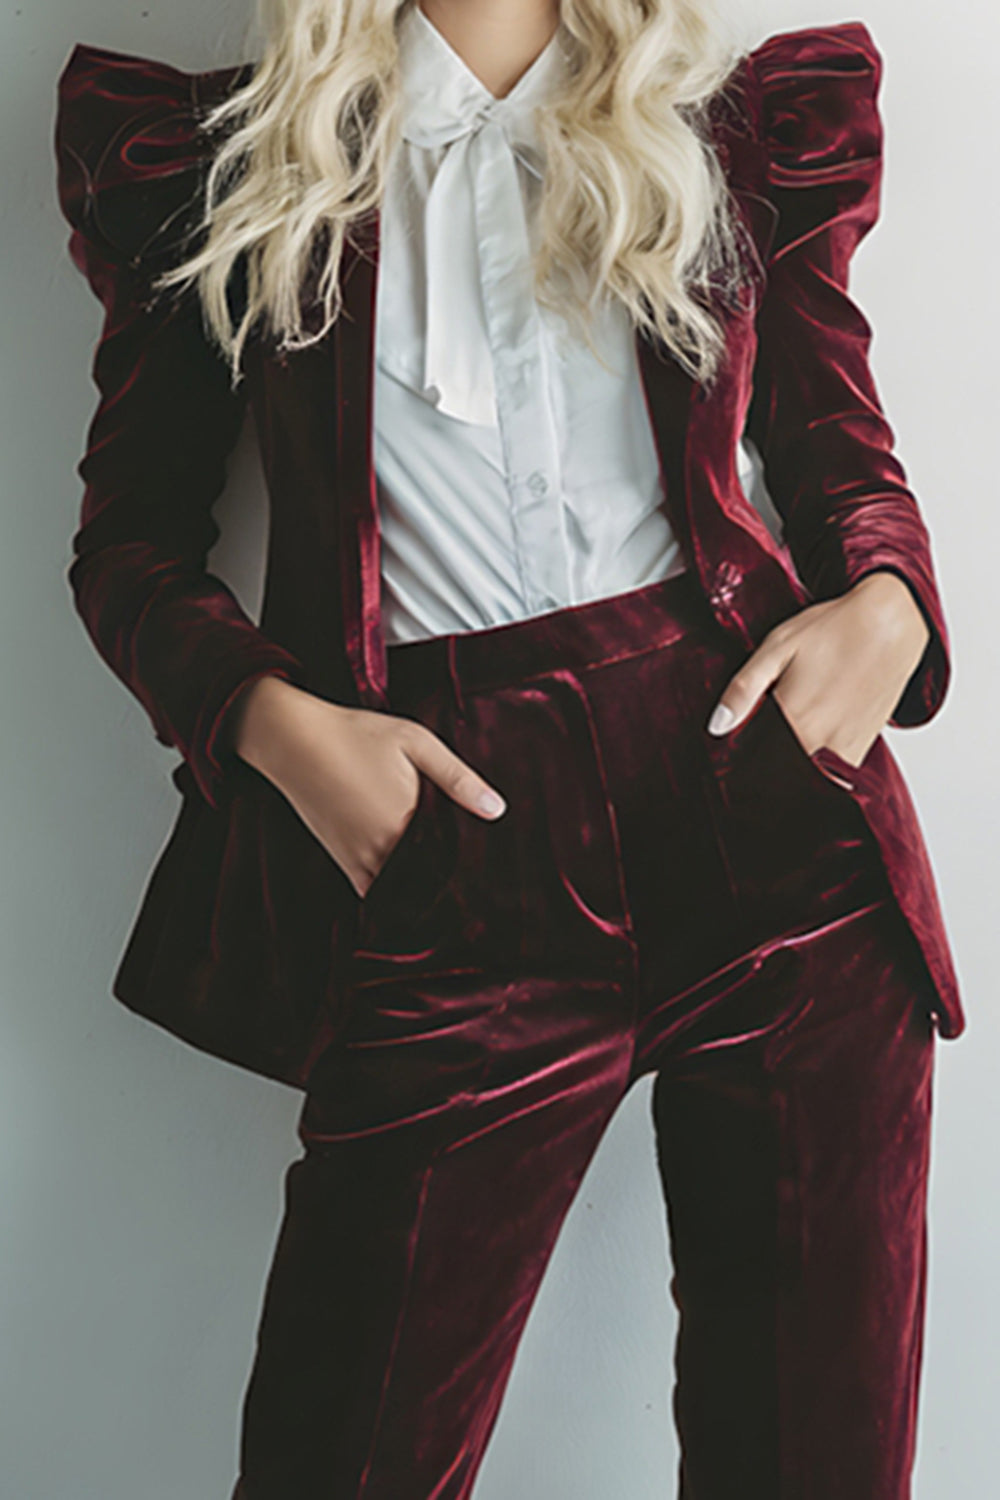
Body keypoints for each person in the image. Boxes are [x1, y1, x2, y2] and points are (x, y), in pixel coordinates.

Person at [54, 0, 964, 1495]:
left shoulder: (728, 133)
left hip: (772, 822)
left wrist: (889, 602)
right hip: (453, 858)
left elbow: (839, 455)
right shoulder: (233, 167)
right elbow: (130, 552)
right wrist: (278, 727)